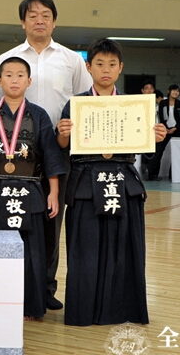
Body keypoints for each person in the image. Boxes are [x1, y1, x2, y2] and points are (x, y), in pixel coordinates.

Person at [0, 0, 92, 311]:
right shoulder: (7, 58)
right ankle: (7, 285)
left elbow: (87, 103)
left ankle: (44, 287)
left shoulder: (71, 59)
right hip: (10, 157)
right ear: (22, 22)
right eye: (32, 15)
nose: (39, 20)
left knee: (49, 220)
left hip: (57, 154)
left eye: (45, 15)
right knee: (9, 219)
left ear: (54, 21)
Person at [56, 38, 167, 326]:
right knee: (86, 249)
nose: (106, 70)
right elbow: (62, 145)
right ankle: (83, 310)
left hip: (122, 179)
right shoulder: (75, 104)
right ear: (88, 67)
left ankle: (124, 309)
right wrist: (64, 133)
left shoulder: (134, 104)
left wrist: (156, 136)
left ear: (121, 68)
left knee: (124, 248)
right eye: (100, 64)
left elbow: (142, 144)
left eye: (112, 64)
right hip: (84, 181)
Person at [0, 57, 66, 321]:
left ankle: (30, 305)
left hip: (30, 191)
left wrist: (53, 192)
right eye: (8, 75)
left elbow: (51, 156)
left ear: (29, 82)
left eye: (20, 75)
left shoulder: (39, 115)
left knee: (31, 250)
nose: (14, 80)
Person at [148, 84, 180, 180]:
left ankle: (173, 175)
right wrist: (165, 128)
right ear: (169, 91)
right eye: (173, 91)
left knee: (177, 153)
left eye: (177, 91)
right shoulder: (163, 103)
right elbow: (160, 116)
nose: (175, 93)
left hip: (177, 130)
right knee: (158, 152)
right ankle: (153, 174)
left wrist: (176, 128)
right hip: (164, 130)